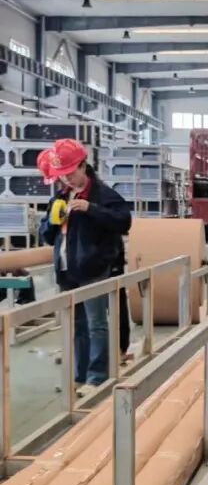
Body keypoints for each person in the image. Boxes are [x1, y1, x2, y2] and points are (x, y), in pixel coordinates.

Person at [37, 139, 131, 388]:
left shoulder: (103, 195)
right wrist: (52, 222)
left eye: (70, 172)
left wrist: (91, 209)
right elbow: (47, 236)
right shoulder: (60, 196)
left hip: (93, 269)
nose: (66, 178)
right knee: (77, 325)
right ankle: (79, 377)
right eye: (62, 174)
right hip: (67, 270)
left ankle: (96, 378)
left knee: (96, 324)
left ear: (82, 166)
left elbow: (123, 221)